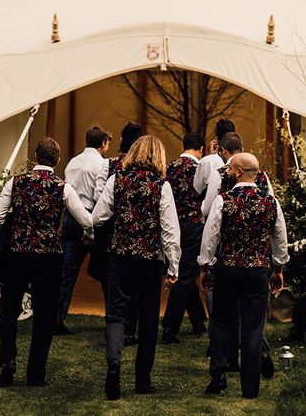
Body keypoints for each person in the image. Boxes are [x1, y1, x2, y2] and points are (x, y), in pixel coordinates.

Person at [0, 138, 93, 387]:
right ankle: (36, 373)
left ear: (35, 157)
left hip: (17, 254)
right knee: (45, 314)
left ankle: (8, 360)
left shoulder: (16, 183)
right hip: (48, 256)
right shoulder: (63, 188)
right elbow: (86, 220)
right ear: (57, 160)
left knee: (9, 308)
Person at [92, 135, 181, 400]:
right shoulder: (161, 187)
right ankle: (143, 380)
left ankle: (114, 364)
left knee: (117, 314)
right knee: (149, 318)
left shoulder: (117, 180)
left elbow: (99, 217)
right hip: (150, 261)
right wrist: (173, 266)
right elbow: (169, 230)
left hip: (120, 256)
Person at [199, 153, 289, 399]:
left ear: (238, 171)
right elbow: (280, 239)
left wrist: (204, 267)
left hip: (228, 269)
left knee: (220, 321)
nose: (226, 172)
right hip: (258, 272)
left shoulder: (223, 200)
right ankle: (250, 388)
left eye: (229, 169)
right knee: (252, 327)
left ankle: (218, 376)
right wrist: (278, 268)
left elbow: (211, 237)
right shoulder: (271, 203)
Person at [90, 122, 143, 344]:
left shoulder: (109, 165)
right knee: (136, 284)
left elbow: (98, 196)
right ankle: (130, 329)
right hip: (139, 232)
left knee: (112, 282)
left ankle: (113, 325)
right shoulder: (147, 171)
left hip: (112, 231)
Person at [56, 125, 112, 334]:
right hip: (91, 216)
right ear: (103, 143)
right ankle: (112, 319)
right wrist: (92, 229)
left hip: (71, 217)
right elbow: (101, 197)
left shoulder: (72, 162)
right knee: (105, 271)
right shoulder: (102, 165)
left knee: (67, 271)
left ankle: (57, 317)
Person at [162, 131, 207, 344]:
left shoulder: (169, 167)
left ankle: (199, 321)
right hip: (193, 226)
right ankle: (170, 328)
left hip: (171, 224)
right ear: (201, 149)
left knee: (185, 273)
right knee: (187, 276)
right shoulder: (200, 169)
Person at [201, 132, 274, 219]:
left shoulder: (218, 174)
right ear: (242, 149)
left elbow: (206, 209)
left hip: (228, 227)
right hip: (259, 227)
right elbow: (272, 203)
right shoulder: (261, 174)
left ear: (224, 151)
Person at [193, 118, 236, 197]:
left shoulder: (207, 162)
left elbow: (198, 188)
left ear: (216, 138)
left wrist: (212, 156)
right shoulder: (247, 162)